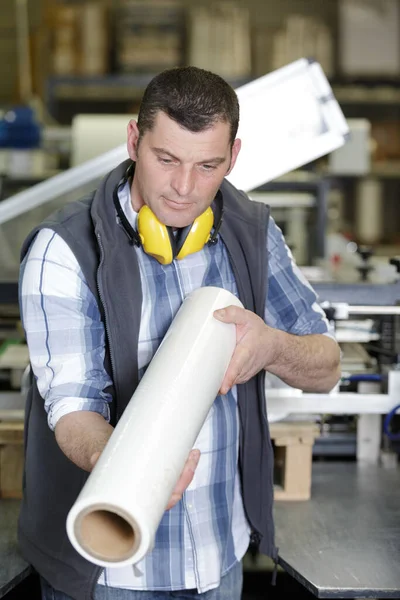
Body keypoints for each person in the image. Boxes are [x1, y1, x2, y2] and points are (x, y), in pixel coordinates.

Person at [18, 66, 341, 600]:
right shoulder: (64, 249)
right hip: (108, 570)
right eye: (166, 160)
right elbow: (73, 409)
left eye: (208, 166)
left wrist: (273, 347)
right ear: (133, 141)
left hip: (220, 558)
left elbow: (327, 366)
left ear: (233, 157)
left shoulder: (252, 232)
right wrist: (131, 472)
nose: (185, 188)